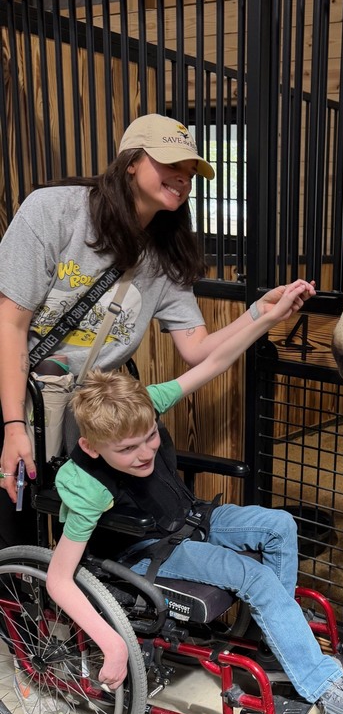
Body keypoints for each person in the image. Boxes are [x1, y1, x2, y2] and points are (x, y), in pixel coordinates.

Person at [26, 276, 343, 714]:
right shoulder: (85, 483)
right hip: (148, 549)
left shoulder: (144, 406)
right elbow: (58, 579)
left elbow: (213, 361)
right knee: (252, 576)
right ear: (93, 447)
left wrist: (265, 314)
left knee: (279, 524)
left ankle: (278, 637)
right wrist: (112, 644)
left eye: (150, 438)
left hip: (189, 516)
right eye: (129, 449)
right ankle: (324, 688)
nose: (145, 453)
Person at [0, 113, 260, 536]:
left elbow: (197, 349)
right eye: (170, 164)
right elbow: (9, 325)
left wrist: (260, 312)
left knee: (122, 520)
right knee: (16, 524)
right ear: (131, 161)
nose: (183, 179)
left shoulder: (166, 252)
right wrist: (13, 426)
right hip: (21, 394)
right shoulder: (56, 211)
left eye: (190, 171)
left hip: (94, 409)